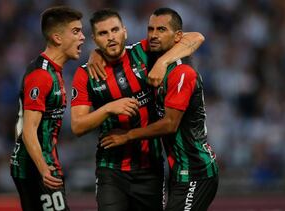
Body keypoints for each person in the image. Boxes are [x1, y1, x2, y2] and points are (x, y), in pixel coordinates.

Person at [70, 9, 204, 211]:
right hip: (111, 170)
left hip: (150, 168)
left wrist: (162, 61)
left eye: (115, 30)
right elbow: (78, 126)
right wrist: (108, 108)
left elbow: (196, 37)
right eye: (103, 33)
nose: (111, 37)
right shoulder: (85, 75)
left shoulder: (145, 53)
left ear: (125, 31)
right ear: (94, 39)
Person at [101, 8, 219, 211]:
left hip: (196, 171)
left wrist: (128, 136)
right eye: (151, 29)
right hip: (178, 171)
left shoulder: (182, 72)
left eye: (162, 29)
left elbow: (170, 124)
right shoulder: (155, 62)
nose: (154, 34)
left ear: (178, 36)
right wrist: (97, 55)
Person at [10, 6, 85, 211]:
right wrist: (44, 169)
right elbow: (28, 129)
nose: (83, 37)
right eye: (76, 31)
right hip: (36, 168)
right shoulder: (42, 76)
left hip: (38, 164)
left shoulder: (52, 70)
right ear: (57, 38)